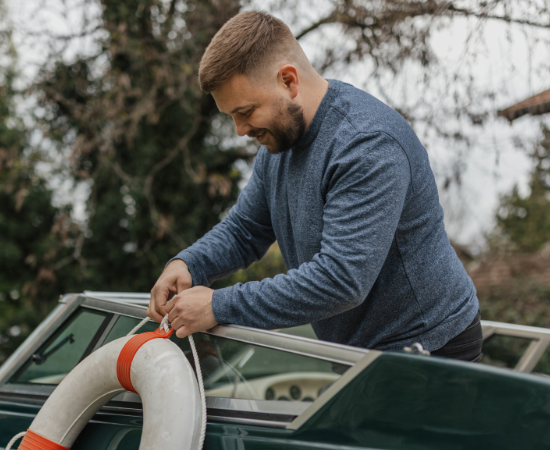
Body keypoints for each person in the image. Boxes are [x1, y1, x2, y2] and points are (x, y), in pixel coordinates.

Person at [147, 11, 482, 361]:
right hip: (358, 350)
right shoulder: (279, 144)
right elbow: (245, 230)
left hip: (427, 348)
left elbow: (340, 280)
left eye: (245, 111)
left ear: (289, 81)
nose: (240, 130)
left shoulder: (366, 144)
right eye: (231, 116)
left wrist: (219, 304)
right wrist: (188, 264)